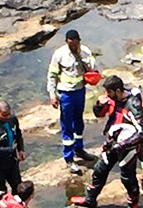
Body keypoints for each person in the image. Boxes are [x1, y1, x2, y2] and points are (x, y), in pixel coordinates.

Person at [70, 76, 143, 208]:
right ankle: (90, 199)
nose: (107, 95)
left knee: (128, 178)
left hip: (128, 148)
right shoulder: (112, 100)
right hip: (112, 143)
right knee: (99, 170)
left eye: (109, 92)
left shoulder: (133, 104)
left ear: (118, 91)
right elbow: (99, 115)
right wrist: (99, 105)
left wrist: (124, 144)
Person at [47, 29, 97, 174]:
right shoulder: (59, 54)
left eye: (75, 44)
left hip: (80, 91)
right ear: (66, 42)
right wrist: (52, 94)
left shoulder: (85, 51)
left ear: (78, 41)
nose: (72, 47)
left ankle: (79, 149)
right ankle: (69, 157)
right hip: (65, 93)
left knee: (79, 122)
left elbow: (93, 69)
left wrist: (82, 55)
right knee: (67, 124)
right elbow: (52, 75)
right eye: (70, 44)